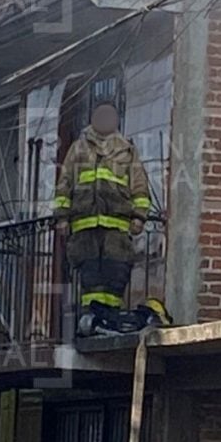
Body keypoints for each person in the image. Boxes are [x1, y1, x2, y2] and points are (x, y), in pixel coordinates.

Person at [54, 100, 151, 324]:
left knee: (115, 273)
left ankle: (111, 318)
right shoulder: (78, 149)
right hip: (84, 226)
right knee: (89, 275)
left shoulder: (127, 150)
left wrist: (139, 216)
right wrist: (62, 217)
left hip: (117, 228)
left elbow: (139, 187)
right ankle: (90, 317)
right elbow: (64, 183)